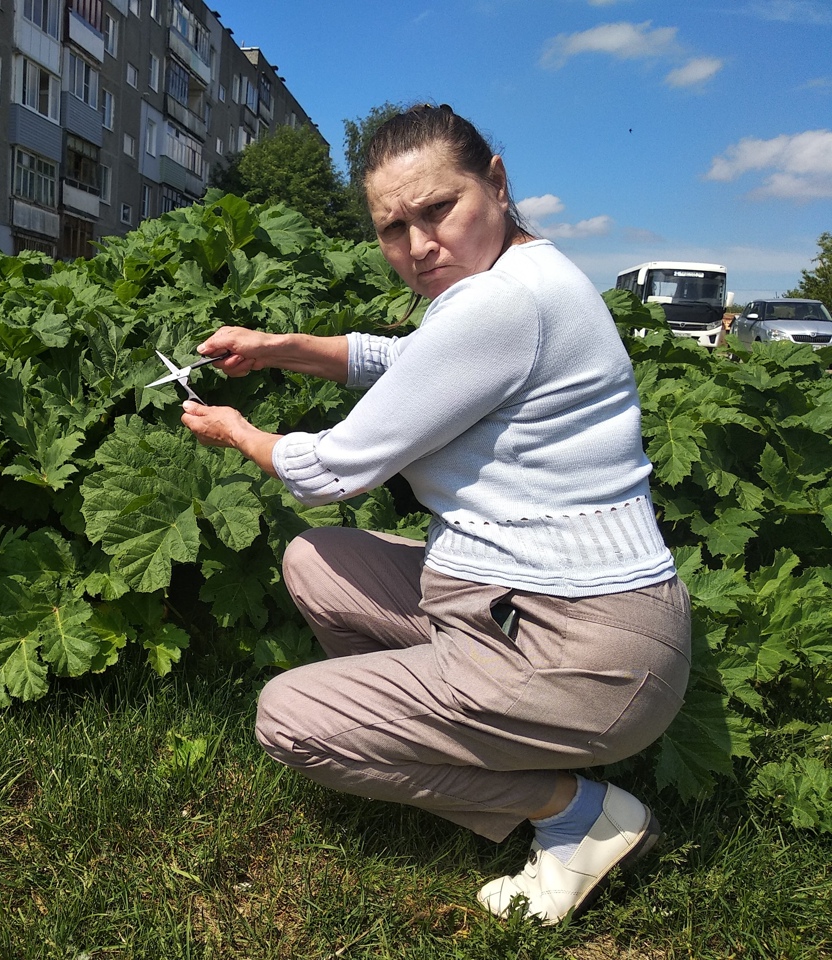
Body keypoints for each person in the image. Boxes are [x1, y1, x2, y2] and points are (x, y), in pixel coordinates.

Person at [179, 103, 690, 925]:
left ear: (495, 180)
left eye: (437, 210)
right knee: (319, 562)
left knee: (289, 718)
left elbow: (332, 468)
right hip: (535, 611)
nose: (418, 247)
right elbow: (401, 359)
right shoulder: (525, 278)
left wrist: (236, 431)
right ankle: (460, 758)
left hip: (587, 651)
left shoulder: (501, 305)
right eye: (393, 227)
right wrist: (278, 346)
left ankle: (575, 812)